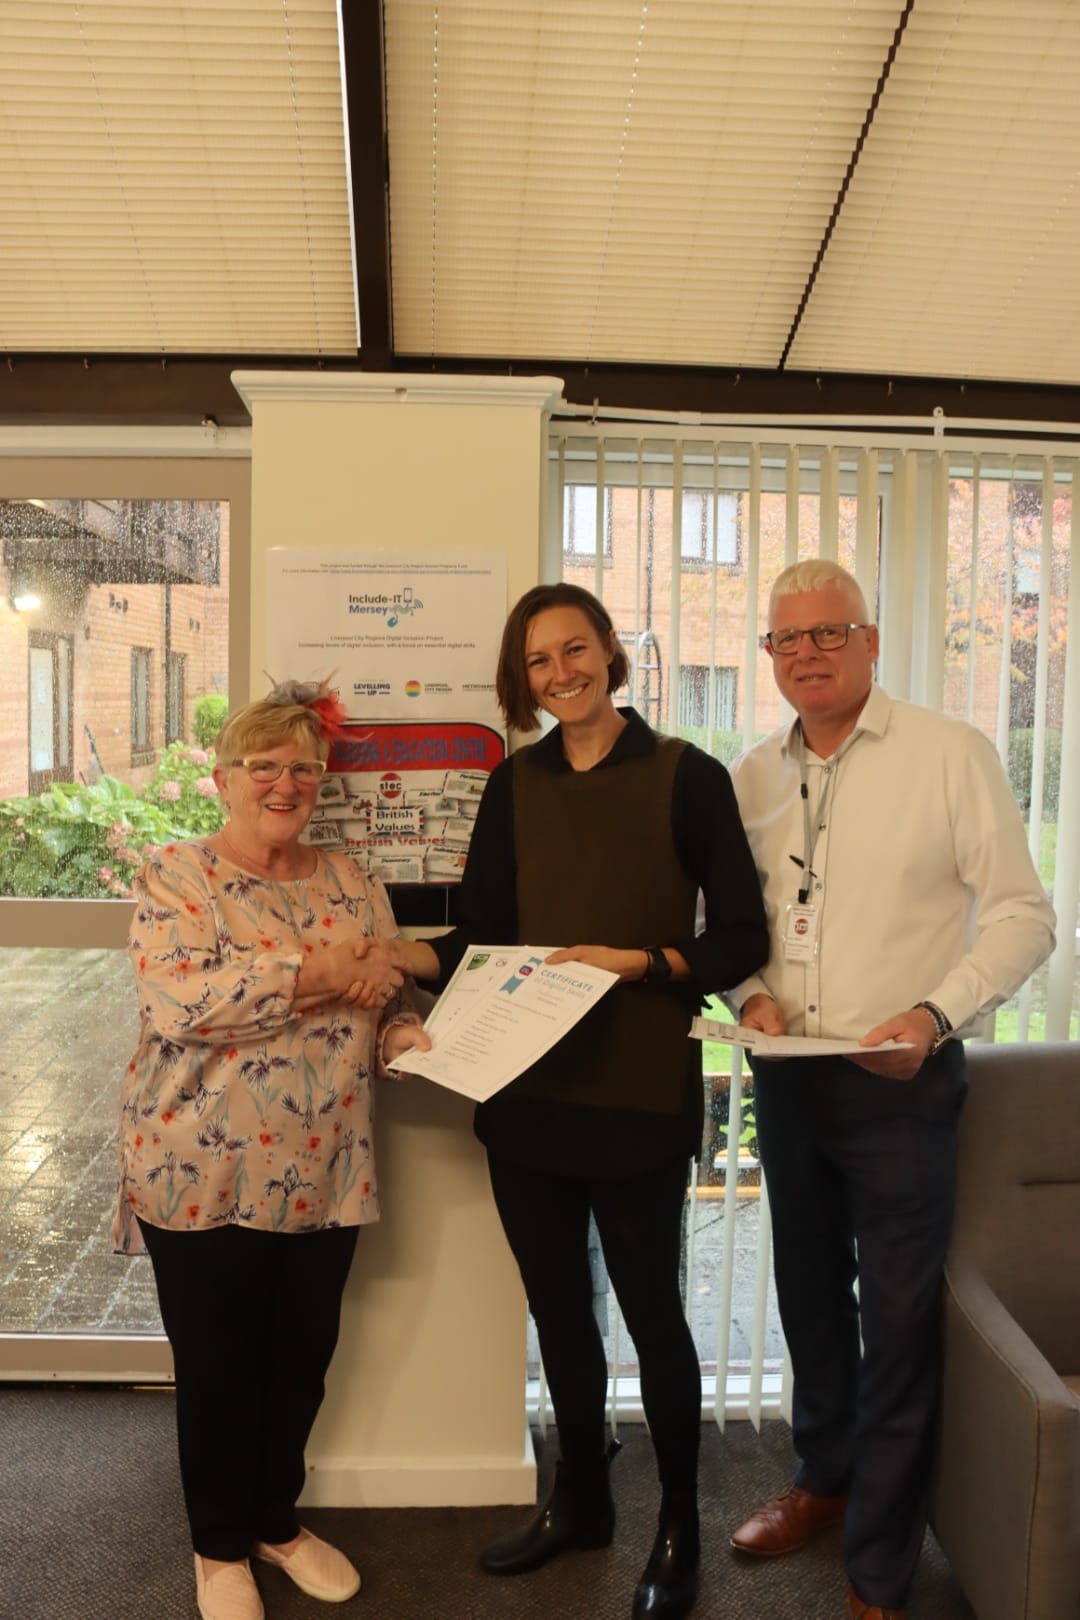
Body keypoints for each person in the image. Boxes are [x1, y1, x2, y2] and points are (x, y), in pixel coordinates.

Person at [387, 582, 769, 1620]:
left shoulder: (689, 779)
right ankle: (584, 1501)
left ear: (610, 650)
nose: (562, 673)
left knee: (654, 1318)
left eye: (575, 648)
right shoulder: (513, 786)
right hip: (528, 1093)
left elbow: (741, 939)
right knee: (558, 1309)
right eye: (540, 661)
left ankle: (678, 1521)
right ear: (526, 680)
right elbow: (482, 939)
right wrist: (399, 972)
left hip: (638, 1093)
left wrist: (638, 962)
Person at [725, 561, 1056, 1620]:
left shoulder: (950, 756)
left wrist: (932, 1013)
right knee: (810, 1301)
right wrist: (748, 993)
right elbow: (731, 922)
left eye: (831, 633)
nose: (807, 653)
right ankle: (824, 1482)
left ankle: (880, 1560)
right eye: (787, 640)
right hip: (790, 1082)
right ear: (769, 657)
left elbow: (1022, 916)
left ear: (872, 642)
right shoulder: (752, 777)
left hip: (903, 1084)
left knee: (902, 1322)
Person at [112, 682, 430, 1620]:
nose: (285, 783)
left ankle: (274, 1520)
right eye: (264, 766)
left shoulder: (350, 881)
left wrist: (401, 1032)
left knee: (301, 1355)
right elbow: (180, 1003)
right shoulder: (178, 875)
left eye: (303, 767)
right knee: (219, 1365)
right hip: (197, 1168)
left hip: (329, 1165)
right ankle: (217, 1548)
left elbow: (387, 995)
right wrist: (325, 971)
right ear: (222, 779)